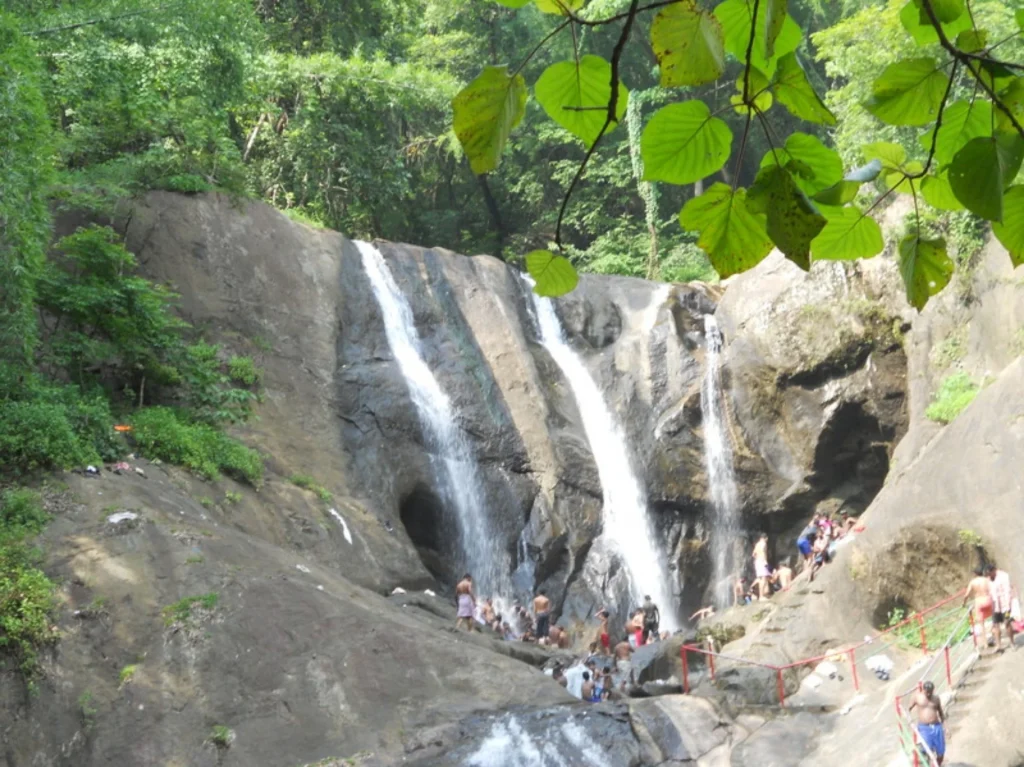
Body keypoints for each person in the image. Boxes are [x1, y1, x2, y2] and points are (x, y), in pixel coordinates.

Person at [909, 680, 946, 765]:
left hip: (937, 727)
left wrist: (945, 727)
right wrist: (910, 720)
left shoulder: (936, 699)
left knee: (941, 753)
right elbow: (909, 709)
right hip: (924, 728)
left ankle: (937, 765)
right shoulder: (917, 697)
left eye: (930, 692)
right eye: (927, 692)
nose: (928, 694)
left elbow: (941, 713)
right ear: (923, 690)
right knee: (927, 750)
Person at [963, 566, 994, 649]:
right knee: (994, 619)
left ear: (975, 573)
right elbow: (992, 590)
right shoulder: (987, 580)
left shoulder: (973, 582)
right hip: (988, 599)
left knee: (981, 624)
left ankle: (985, 644)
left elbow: (966, 595)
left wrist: (964, 604)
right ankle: (992, 635)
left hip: (979, 601)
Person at [987, 563, 1016, 651]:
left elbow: (1007, 591)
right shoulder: (989, 579)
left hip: (1005, 605)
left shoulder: (1003, 576)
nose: (989, 575)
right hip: (995, 606)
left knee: (1007, 623)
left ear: (994, 570)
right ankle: (998, 645)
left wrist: (1009, 606)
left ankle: (1012, 643)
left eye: (990, 573)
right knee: (996, 625)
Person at [752, 533, 770, 599]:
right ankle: (761, 596)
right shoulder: (763, 543)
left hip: (757, 562)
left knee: (760, 579)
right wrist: (765, 561)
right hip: (762, 561)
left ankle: (761, 595)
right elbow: (762, 551)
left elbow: (753, 554)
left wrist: (758, 559)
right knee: (764, 579)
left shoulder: (757, 544)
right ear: (766, 538)